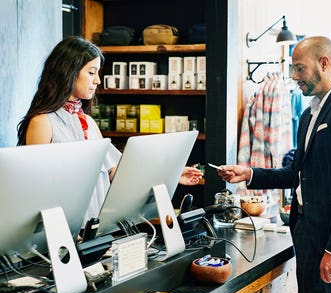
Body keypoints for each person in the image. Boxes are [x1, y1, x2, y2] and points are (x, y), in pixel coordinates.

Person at [216, 36, 331, 293]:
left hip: (329, 237)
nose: (294, 76)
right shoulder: (308, 115)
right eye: (292, 69)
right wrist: (250, 173)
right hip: (305, 229)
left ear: (324, 63)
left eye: (299, 68)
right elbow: (296, 175)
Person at [17, 36, 202, 224]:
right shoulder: (43, 122)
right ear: (68, 72)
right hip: (62, 233)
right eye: (91, 72)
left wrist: (172, 174)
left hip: (93, 229)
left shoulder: (87, 122)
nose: (98, 80)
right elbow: (36, 191)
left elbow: (119, 173)